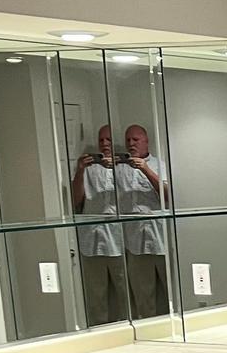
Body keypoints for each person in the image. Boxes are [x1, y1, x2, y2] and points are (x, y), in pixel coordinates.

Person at [71, 124, 171, 324]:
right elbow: (79, 202)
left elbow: (169, 196)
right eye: (128, 140)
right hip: (132, 242)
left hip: (162, 239)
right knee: (142, 298)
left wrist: (145, 169)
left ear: (146, 140)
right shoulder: (118, 168)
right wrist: (86, 169)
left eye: (136, 139)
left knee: (172, 291)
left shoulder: (159, 164)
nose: (131, 143)